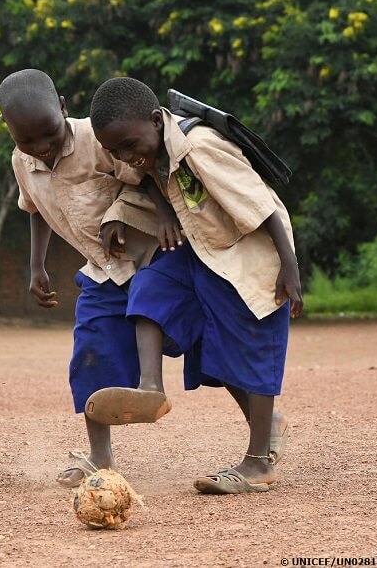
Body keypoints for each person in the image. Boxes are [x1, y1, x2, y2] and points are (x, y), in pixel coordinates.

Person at [88, 76, 301, 494]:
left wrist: (290, 265)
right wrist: (151, 211)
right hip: (201, 251)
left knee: (249, 345)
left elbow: (261, 203)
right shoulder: (144, 150)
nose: (126, 157)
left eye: (128, 146)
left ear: (156, 120)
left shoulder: (198, 146)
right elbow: (143, 177)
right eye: (115, 152)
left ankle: (258, 463)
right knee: (151, 287)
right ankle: (150, 387)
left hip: (247, 252)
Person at [0, 69, 182, 487]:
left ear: (62, 106)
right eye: (27, 140)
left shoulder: (96, 139)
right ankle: (100, 456)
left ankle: (263, 427)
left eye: (49, 133)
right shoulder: (21, 162)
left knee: (207, 346)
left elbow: (143, 174)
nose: (41, 147)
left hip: (152, 257)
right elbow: (34, 209)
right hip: (102, 271)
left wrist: (158, 214)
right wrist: (37, 265)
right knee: (90, 351)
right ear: (8, 128)